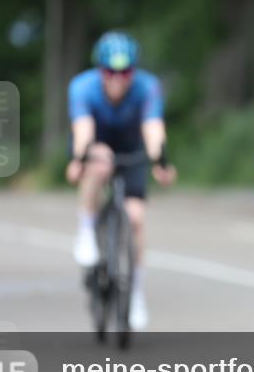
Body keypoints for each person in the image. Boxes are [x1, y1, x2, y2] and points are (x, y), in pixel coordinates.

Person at [65, 31, 177, 330]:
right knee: (99, 161)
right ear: (99, 70)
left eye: (125, 71)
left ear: (134, 70)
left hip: (131, 146)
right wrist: (78, 160)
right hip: (96, 143)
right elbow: (83, 130)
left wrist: (160, 161)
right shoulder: (83, 87)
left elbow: (153, 128)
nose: (117, 78)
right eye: (110, 71)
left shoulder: (147, 87)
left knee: (136, 218)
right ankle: (87, 229)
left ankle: (135, 292)